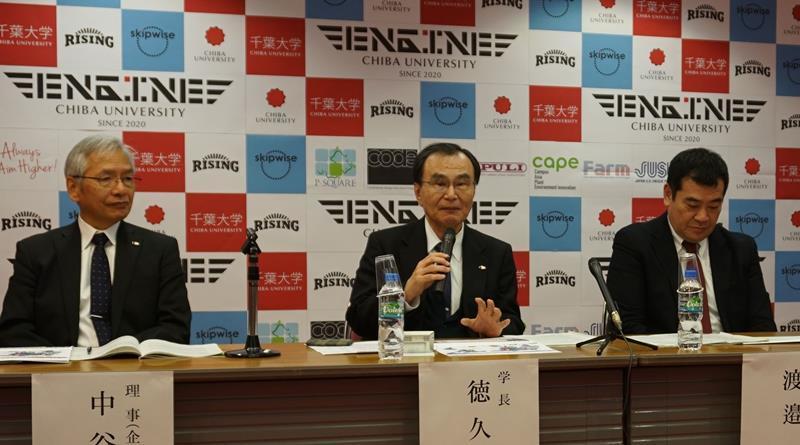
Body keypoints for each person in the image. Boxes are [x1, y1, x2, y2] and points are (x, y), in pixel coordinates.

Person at [0, 134, 191, 347]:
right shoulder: (36, 251)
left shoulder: (160, 250)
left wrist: (123, 351)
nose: (120, 190)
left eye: (128, 179)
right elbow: (14, 331)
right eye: (106, 179)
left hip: (134, 364)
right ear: (73, 188)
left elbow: (176, 328)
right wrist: (68, 360)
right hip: (63, 366)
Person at [346, 142, 525, 339]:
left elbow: (513, 322)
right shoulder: (386, 245)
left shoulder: (496, 252)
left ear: (474, 190)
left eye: (461, 184)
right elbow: (359, 320)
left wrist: (495, 329)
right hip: (406, 357)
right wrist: (405, 295)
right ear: (418, 192)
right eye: (440, 184)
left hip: (471, 358)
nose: (451, 195)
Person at [606, 147, 776, 334]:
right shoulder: (635, 244)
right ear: (668, 194)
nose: (703, 217)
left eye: (713, 206)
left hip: (731, 351)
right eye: (692, 205)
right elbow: (625, 328)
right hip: (668, 352)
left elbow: (764, 326)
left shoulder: (741, 248)